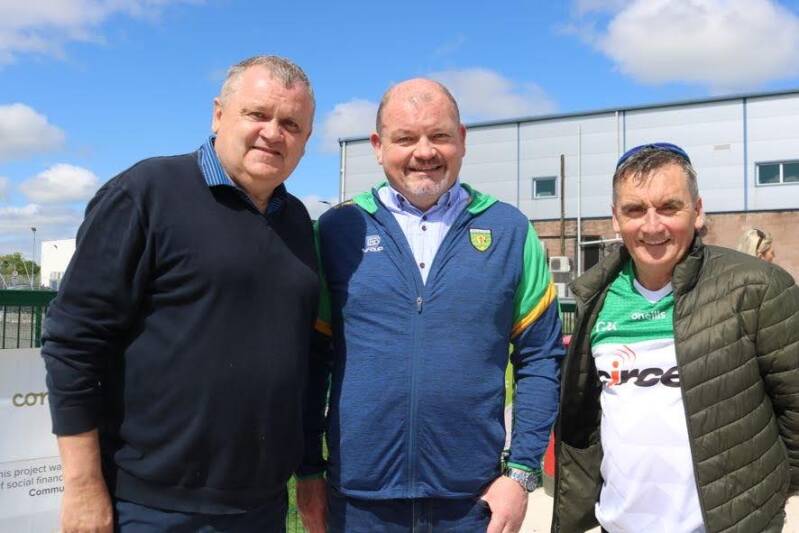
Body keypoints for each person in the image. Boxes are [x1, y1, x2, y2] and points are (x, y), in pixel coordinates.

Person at [41, 55, 319, 532]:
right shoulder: (146, 193)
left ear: (306, 140)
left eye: (291, 123)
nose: (274, 133)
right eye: (258, 114)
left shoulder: (298, 223)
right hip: (152, 508)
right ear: (218, 114)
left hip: (263, 506)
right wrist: (83, 485)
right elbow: (73, 343)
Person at [296, 78, 565, 533]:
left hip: (472, 504)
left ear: (462, 140)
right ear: (379, 146)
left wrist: (521, 474)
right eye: (405, 138)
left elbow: (541, 358)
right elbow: (309, 360)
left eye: (439, 135)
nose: (424, 151)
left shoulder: (510, 230)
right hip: (358, 505)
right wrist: (307, 470)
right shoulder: (338, 230)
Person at [553, 143, 799, 533]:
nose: (652, 226)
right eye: (635, 210)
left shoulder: (757, 288)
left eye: (669, 207)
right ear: (616, 219)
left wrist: (759, 502)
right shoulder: (594, 301)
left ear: (697, 211)